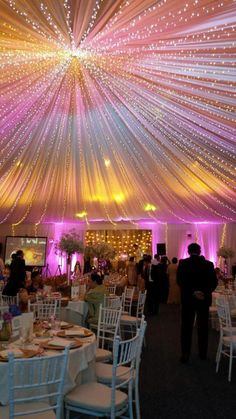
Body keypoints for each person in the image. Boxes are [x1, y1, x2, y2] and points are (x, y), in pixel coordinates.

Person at [177, 243, 218, 363]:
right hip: (203, 300)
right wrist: (203, 292)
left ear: (189, 252)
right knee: (203, 327)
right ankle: (203, 353)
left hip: (188, 299)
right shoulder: (209, 264)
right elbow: (213, 282)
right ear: (200, 251)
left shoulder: (183, 263)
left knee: (186, 327)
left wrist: (193, 292)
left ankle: (185, 354)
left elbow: (180, 281)